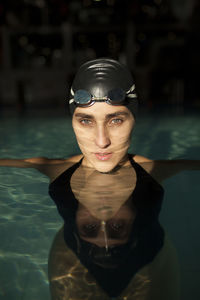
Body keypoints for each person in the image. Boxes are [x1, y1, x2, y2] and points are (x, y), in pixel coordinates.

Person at [0, 58, 199, 300]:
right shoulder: (57, 169)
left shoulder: (151, 169)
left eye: (116, 120)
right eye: (86, 120)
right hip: (72, 262)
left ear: (134, 119)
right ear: (72, 121)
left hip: (150, 261)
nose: (102, 141)